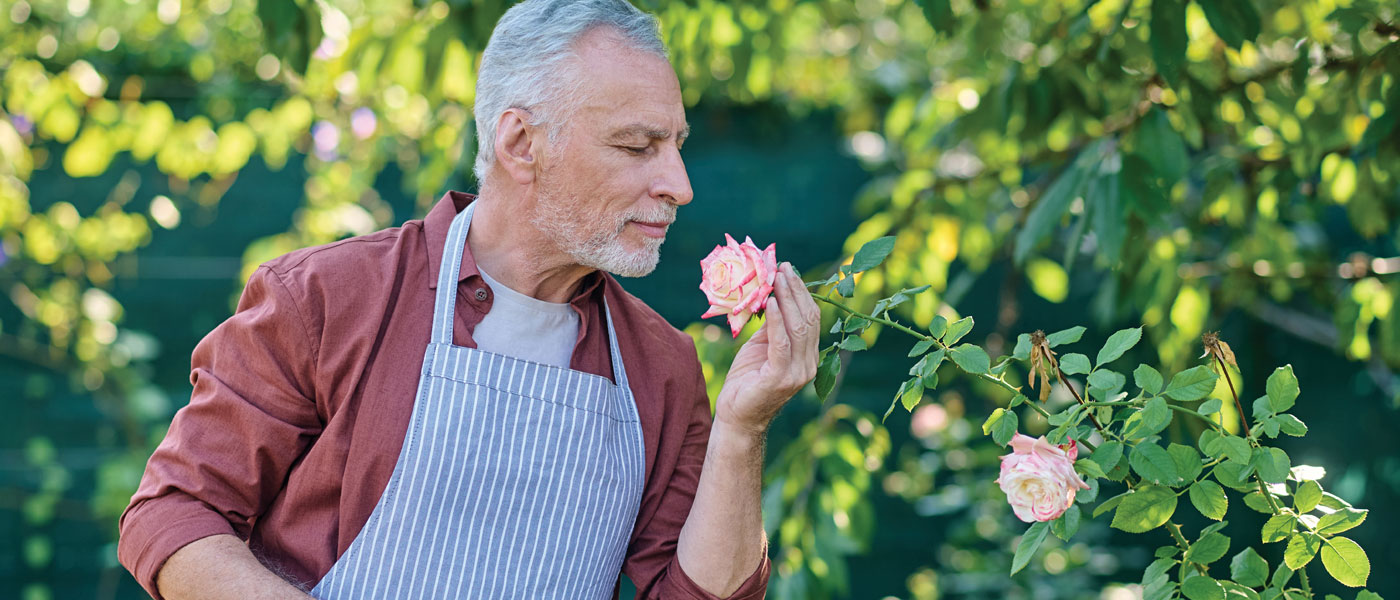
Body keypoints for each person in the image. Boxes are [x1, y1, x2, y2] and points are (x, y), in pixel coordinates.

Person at [116, 0, 821, 598]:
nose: (679, 183)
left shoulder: (661, 368)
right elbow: (176, 514)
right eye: (638, 147)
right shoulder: (329, 298)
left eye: (677, 144)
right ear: (521, 143)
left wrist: (742, 432)